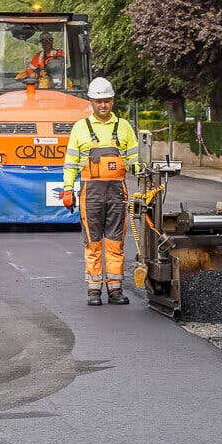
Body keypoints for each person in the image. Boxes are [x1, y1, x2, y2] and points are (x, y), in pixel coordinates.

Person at [61, 77, 140, 306]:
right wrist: (68, 189)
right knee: (92, 241)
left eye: (106, 101)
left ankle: (115, 290)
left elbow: (134, 160)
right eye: (98, 101)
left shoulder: (124, 127)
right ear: (91, 102)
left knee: (115, 241)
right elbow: (70, 163)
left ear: (112, 101)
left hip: (117, 191)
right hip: (90, 192)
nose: (103, 105)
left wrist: (141, 171)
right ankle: (94, 290)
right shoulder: (80, 128)